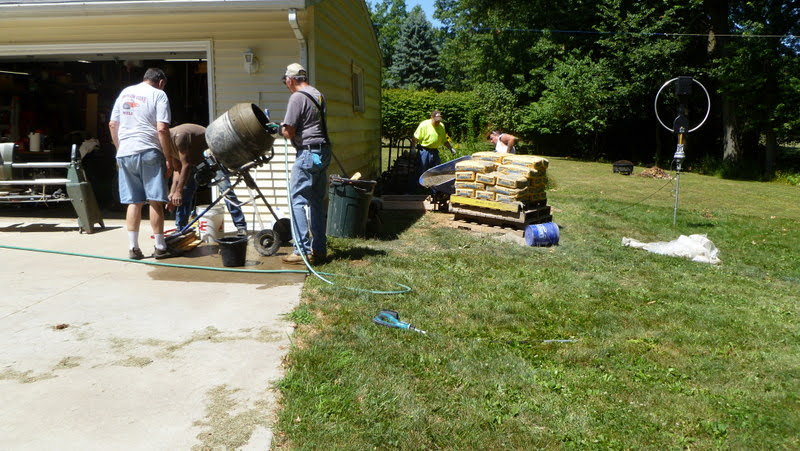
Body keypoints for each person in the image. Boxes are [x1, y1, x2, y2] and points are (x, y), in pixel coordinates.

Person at [109, 67, 177, 260]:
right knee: (155, 200)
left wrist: (119, 150)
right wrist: (168, 157)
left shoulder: (125, 93)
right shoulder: (159, 95)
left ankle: (133, 248)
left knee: (134, 201)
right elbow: (162, 128)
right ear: (161, 82)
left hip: (125, 152)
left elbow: (113, 124)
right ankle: (160, 247)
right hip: (149, 151)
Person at [279, 63, 331, 265]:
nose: (287, 85)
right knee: (316, 202)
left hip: (308, 154)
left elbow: (288, 131)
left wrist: (279, 129)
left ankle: (301, 249)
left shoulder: (297, 97)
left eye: (286, 82)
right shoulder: (318, 94)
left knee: (297, 201)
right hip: (323, 151)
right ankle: (319, 249)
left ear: (291, 79)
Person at [167, 123, 247, 236]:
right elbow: (177, 169)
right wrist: (173, 193)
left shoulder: (179, 137)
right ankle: (181, 229)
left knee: (226, 190)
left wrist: (178, 192)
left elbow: (185, 166)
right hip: (193, 161)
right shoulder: (165, 146)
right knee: (184, 192)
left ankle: (241, 226)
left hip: (211, 155)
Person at [411, 110, 454, 185]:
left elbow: (444, 140)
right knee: (423, 170)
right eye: (436, 121)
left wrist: (451, 149)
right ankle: (421, 188)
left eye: (439, 121)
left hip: (435, 151)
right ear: (432, 118)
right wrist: (413, 148)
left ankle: (434, 188)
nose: (437, 123)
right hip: (424, 151)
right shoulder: (424, 125)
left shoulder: (441, 126)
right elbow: (415, 137)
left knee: (436, 170)